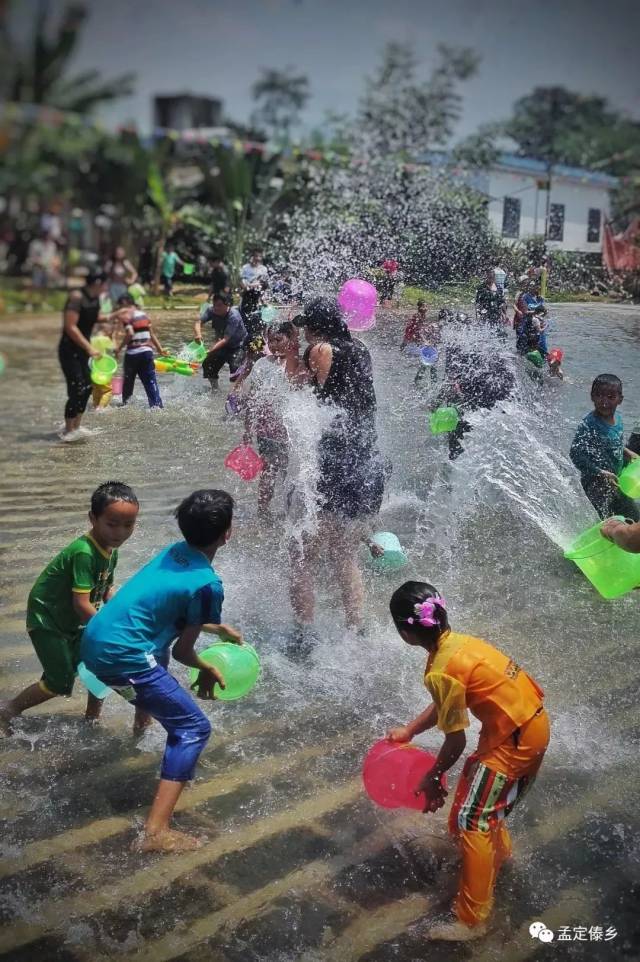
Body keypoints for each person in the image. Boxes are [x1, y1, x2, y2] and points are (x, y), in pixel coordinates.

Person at [80, 489, 242, 854]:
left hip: (95, 639)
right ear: (227, 533)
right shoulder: (208, 584)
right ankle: (155, 830)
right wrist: (207, 668)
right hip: (121, 657)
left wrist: (216, 628)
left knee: (158, 654)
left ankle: (143, 726)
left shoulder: (173, 552)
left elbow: (168, 611)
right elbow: (186, 651)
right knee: (193, 728)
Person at [387, 581, 549, 941]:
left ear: (405, 633)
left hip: (516, 739)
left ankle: (471, 920)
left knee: (474, 818)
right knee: (474, 799)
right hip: (523, 724)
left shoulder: (441, 667)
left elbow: (455, 739)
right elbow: (448, 702)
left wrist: (432, 776)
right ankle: (497, 857)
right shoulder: (458, 644)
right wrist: (411, 730)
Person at [0, 483, 139, 735]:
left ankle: (91, 718)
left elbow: (105, 588)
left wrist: (124, 612)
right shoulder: (84, 552)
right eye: (112, 523)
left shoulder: (110, 550)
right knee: (59, 681)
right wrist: (109, 629)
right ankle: (8, 709)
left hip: (73, 619)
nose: (120, 532)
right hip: (48, 619)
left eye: (128, 525)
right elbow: (81, 603)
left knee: (98, 662)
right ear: (92, 519)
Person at [289, 299, 384, 642]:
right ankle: (357, 629)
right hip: (365, 461)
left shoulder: (320, 349)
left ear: (316, 327)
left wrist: (290, 359)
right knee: (345, 554)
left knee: (302, 554)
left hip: (334, 462)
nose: (303, 333)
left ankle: (303, 635)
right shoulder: (360, 348)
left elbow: (305, 394)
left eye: (306, 327)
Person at [241, 322, 305, 518]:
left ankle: (289, 512)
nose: (274, 345)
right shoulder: (262, 365)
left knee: (290, 472)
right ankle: (263, 511)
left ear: (290, 340)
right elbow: (252, 398)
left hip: (290, 431)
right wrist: (247, 428)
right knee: (268, 471)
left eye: (279, 340)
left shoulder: (298, 364)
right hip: (267, 430)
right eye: (271, 341)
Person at [439, 312, 515, 460]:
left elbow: (451, 377)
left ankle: (456, 453)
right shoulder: (480, 345)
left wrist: (439, 399)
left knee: (459, 426)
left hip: (470, 391)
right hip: (483, 392)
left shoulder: (454, 345)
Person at [570, 374, 640, 521]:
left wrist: (628, 453)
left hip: (617, 481)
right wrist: (601, 473)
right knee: (607, 522)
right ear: (592, 397)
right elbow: (575, 454)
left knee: (634, 518)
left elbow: (614, 444)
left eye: (610, 397)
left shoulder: (619, 419)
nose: (604, 402)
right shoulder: (589, 424)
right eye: (599, 396)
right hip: (596, 485)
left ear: (620, 399)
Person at [58, 270, 108, 442]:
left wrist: (114, 316)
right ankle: (68, 429)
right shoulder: (76, 297)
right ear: (97, 283)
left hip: (83, 351)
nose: (106, 287)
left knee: (87, 387)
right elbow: (70, 327)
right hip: (69, 350)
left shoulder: (95, 299)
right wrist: (90, 348)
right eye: (104, 283)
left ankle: (77, 426)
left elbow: (93, 318)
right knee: (76, 387)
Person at [113, 294, 166, 409]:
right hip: (147, 353)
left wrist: (119, 348)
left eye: (120, 306)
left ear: (126, 304)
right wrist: (160, 349)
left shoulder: (126, 316)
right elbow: (151, 334)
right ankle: (157, 406)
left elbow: (130, 333)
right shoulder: (144, 315)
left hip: (133, 355)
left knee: (128, 382)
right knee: (150, 381)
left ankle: (125, 405)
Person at [194, 293, 248, 391]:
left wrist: (209, 351)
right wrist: (198, 334)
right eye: (214, 305)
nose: (216, 308)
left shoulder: (234, 316)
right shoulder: (211, 310)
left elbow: (225, 339)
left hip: (238, 346)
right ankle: (215, 390)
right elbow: (198, 322)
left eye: (219, 305)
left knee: (235, 368)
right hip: (222, 345)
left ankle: (235, 392)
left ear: (227, 305)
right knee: (208, 364)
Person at [475, 269, 508, 334]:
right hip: (485, 315)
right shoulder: (481, 288)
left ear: (494, 277)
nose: (491, 279)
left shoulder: (498, 288)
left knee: (500, 333)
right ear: (486, 277)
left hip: (497, 315)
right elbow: (478, 303)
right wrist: (478, 316)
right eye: (489, 277)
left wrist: (505, 314)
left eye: (492, 277)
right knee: (486, 333)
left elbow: (502, 302)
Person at [240, 249, 269, 320]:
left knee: (258, 318)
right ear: (251, 257)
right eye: (256, 256)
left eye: (260, 256)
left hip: (258, 296)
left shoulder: (263, 269)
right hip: (247, 295)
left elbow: (265, 285)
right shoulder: (245, 268)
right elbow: (242, 284)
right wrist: (252, 285)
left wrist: (264, 298)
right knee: (245, 317)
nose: (258, 258)